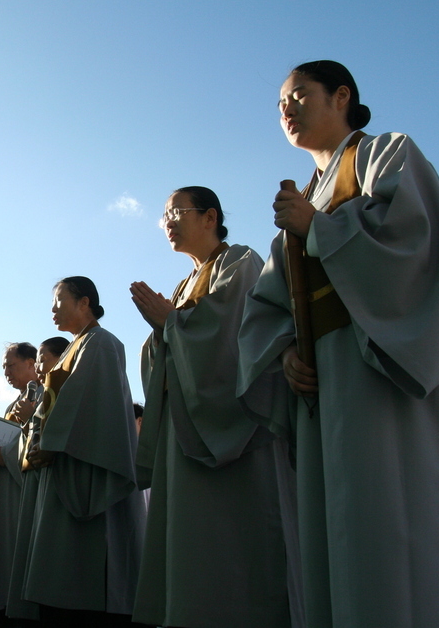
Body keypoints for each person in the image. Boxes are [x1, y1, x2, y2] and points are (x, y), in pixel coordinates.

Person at [238, 59, 439, 626]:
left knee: (402, 527)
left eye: (299, 94)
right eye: (280, 103)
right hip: (326, 385)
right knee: (343, 540)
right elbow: (268, 304)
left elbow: (414, 243)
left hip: (387, 365)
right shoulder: (303, 197)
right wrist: (285, 353)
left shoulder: (385, 153)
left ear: (341, 96)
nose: (287, 108)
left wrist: (319, 227)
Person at [130, 187, 298, 627]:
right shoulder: (185, 284)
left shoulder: (240, 262)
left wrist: (171, 324)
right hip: (184, 431)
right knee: (189, 550)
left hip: (232, 430)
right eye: (163, 214)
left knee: (236, 550)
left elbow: (230, 332)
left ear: (209, 217)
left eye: (176, 211)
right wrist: (165, 333)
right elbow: (164, 349)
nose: (167, 220)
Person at [21, 277, 145, 627]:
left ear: (84, 302)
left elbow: (84, 404)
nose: (53, 309)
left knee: (86, 577)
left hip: (84, 463)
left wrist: (47, 442)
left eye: (60, 300)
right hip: (64, 462)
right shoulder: (77, 347)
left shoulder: (101, 343)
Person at [5, 336, 69, 624]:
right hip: (27, 482)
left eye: (11, 365)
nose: (7, 372)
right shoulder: (27, 398)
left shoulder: (62, 389)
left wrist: (31, 420)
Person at [0, 343, 40, 624]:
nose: (6, 372)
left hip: (24, 490)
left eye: (11, 365)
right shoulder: (17, 403)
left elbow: (39, 444)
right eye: (3, 367)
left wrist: (7, 456)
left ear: (31, 362)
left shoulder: (40, 394)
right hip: (6, 485)